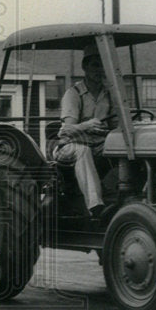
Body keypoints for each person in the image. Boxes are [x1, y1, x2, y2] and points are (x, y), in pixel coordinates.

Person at [53, 42, 118, 220]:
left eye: (103, 65)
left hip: (99, 145)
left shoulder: (109, 94)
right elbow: (66, 130)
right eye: (95, 65)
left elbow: (115, 125)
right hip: (69, 148)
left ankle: (126, 199)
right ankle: (96, 207)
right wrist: (87, 125)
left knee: (123, 150)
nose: (100, 70)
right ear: (85, 67)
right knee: (83, 151)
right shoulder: (73, 94)